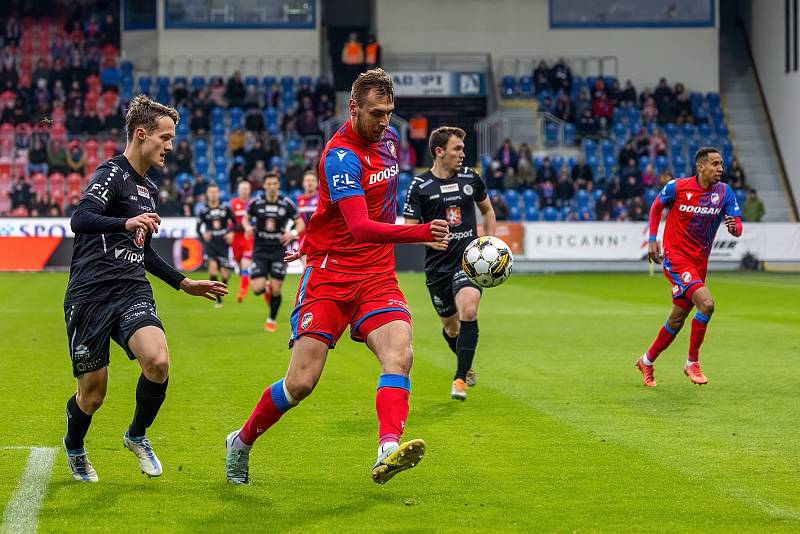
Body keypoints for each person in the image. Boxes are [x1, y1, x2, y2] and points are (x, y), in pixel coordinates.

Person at [224, 68, 449, 486]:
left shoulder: (390, 141)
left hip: (377, 275)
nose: (384, 122)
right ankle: (241, 441)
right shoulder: (339, 155)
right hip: (330, 277)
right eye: (376, 113)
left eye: (389, 113)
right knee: (301, 383)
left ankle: (387, 448)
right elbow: (360, 225)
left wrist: (310, 233)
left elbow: (336, 209)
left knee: (400, 355)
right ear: (353, 108)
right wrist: (421, 232)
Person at [61, 95, 227, 483]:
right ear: (141, 134)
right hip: (90, 295)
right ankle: (75, 448)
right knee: (93, 395)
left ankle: (136, 435)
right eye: (165, 137)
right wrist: (124, 223)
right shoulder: (110, 174)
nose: (170, 146)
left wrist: (184, 283)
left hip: (131, 289)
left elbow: (144, 251)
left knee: (158, 361)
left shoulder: (147, 188)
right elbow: (80, 218)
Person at [636, 147, 743, 387]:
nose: (720, 169)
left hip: (699, 263)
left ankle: (646, 360)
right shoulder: (678, 187)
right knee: (707, 303)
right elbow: (656, 207)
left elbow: (737, 226)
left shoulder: (725, 193)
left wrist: (734, 228)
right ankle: (691, 362)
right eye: (715, 164)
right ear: (701, 167)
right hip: (675, 258)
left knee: (677, 319)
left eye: (721, 164)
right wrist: (653, 239)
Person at [403, 126, 496, 400]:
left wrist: (487, 242)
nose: (462, 154)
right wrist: (428, 240)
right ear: (439, 151)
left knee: (469, 310)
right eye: (457, 149)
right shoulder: (420, 186)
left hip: (468, 261)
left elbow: (487, 210)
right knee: (451, 327)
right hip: (437, 269)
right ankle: (465, 364)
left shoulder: (471, 178)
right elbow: (409, 227)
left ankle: (459, 379)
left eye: (462, 149)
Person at [242, 172, 305, 331]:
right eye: (269, 184)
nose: (271, 187)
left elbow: (300, 223)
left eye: (274, 184)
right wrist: (248, 227)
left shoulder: (286, 203)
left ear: (278, 185)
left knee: (276, 289)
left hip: (278, 250)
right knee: (257, 289)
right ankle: (265, 286)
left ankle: (271, 319)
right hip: (260, 250)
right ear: (264, 186)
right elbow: (245, 218)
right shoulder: (256, 203)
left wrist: (292, 234)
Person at [197, 183, 235, 308]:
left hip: (223, 244)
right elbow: (198, 229)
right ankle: (218, 299)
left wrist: (232, 234)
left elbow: (235, 224)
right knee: (213, 269)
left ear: (218, 193)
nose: (213, 195)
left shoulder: (225, 208)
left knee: (225, 274)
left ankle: (220, 291)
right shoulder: (204, 210)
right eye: (211, 192)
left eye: (215, 192)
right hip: (211, 245)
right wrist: (203, 235)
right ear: (208, 194)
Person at [230, 180, 255, 302]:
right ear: (238, 190)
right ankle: (245, 281)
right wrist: (229, 232)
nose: (244, 191)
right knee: (240, 265)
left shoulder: (253, 204)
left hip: (248, 237)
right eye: (242, 188)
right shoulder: (233, 203)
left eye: (246, 188)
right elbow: (229, 221)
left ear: (250, 190)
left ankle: (242, 291)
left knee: (246, 262)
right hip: (236, 238)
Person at [296, 170, 319, 267]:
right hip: (303, 241)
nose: (310, 183)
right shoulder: (298, 200)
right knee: (306, 269)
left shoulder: (322, 198)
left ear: (317, 183)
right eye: (307, 180)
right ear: (303, 183)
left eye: (312, 180)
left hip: (320, 241)